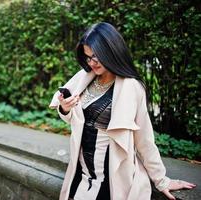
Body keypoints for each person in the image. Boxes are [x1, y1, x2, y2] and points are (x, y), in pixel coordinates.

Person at [49, 22, 196, 200]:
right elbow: (73, 117)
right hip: (81, 170)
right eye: (87, 57)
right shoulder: (84, 77)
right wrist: (65, 108)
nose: (91, 63)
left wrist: (161, 180)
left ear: (110, 51)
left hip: (110, 175)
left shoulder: (131, 87)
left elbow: (144, 139)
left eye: (95, 56)